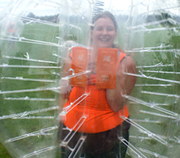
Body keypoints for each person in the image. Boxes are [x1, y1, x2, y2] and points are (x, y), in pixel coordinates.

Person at [59, 11, 137, 158]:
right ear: (91, 31)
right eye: (99, 28)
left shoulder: (125, 62)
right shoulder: (76, 55)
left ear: (115, 32)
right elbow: (64, 94)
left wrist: (106, 73)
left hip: (109, 137)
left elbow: (116, 104)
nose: (104, 33)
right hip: (72, 132)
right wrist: (70, 78)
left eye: (109, 29)